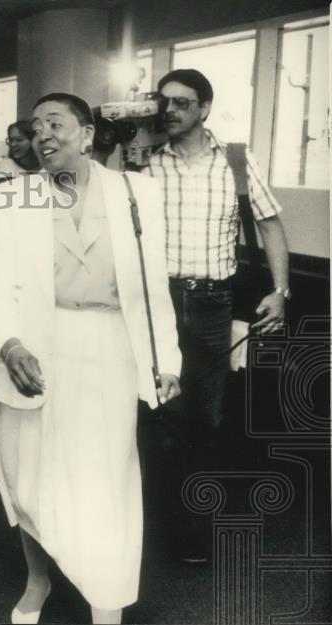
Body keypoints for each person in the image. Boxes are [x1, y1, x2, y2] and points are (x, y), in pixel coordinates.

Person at [0, 93, 182, 624]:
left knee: (105, 481)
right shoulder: (9, 197)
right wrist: (10, 342)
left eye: (56, 123)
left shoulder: (137, 193)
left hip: (109, 347)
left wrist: (169, 360)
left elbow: (153, 287)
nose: (43, 134)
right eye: (35, 126)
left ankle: (105, 603)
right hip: (37, 348)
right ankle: (39, 579)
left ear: (88, 134)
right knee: (30, 479)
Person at [144, 69, 290, 564]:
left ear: (204, 108)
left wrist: (280, 291)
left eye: (182, 103)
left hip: (211, 303)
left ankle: (188, 526)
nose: (170, 110)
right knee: (154, 410)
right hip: (154, 300)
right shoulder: (142, 162)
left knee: (205, 417)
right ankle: (149, 522)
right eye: (163, 102)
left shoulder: (235, 162)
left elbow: (270, 225)